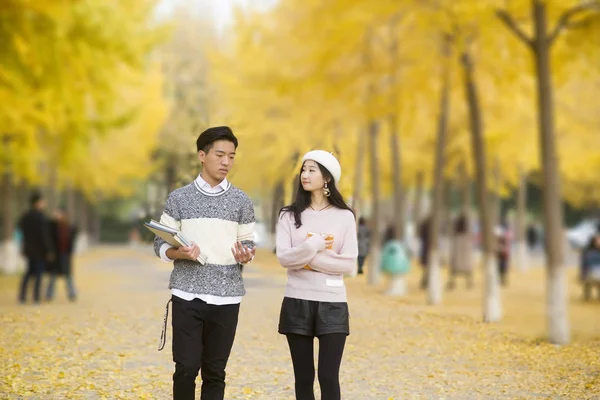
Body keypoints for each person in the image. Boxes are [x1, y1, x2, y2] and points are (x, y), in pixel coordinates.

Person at [153, 126, 256, 400]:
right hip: (187, 295)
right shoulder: (179, 198)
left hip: (227, 299)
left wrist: (246, 255)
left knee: (215, 372)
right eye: (220, 155)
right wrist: (179, 254)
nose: (226, 162)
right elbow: (160, 243)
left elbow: (248, 245)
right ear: (202, 155)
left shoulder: (242, 201)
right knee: (185, 369)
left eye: (231, 157)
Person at [276, 150, 358, 400]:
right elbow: (284, 258)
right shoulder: (288, 215)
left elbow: (348, 264)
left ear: (327, 178)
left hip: (332, 302)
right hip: (297, 300)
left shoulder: (345, 217)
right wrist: (314, 246)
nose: (305, 175)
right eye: (303, 169)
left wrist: (305, 259)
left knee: (328, 377)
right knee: (303, 378)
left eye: (312, 170)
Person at [18, 192, 54, 304]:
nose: (44, 204)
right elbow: (44, 236)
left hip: (29, 248)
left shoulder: (25, 216)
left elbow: (22, 231)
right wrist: (49, 250)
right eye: (42, 202)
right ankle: (36, 297)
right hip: (39, 250)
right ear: (37, 203)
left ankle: (22, 296)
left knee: (28, 272)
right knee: (38, 273)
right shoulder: (41, 217)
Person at [46, 208, 78, 302]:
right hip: (56, 255)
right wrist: (54, 219)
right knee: (53, 275)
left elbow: (72, 241)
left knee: (68, 275)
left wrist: (70, 253)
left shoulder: (70, 228)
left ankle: (72, 293)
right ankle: (49, 295)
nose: (60, 217)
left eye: (61, 215)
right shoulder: (53, 226)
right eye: (58, 215)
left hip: (65, 255)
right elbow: (48, 227)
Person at [379, 225, 410, 296]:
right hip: (400, 267)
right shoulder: (400, 245)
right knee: (398, 279)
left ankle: (393, 290)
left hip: (390, 267)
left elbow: (384, 257)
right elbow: (405, 257)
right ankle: (399, 291)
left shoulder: (388, 245)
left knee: (392, 280)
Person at [447, 213, 474, 290]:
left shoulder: (456, 235)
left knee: (454, 269)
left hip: (457, 257)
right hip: (465, 258)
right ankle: (469, 282)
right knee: (467, 268)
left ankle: (452, 282)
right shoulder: (467, 235)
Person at [580, 233, 600, 301]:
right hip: (591, 272)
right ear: (593, 242)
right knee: (589, 279)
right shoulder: (588, 252)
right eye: (598, 240)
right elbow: (584, 264)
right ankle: (587, 296)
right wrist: (583, 275)